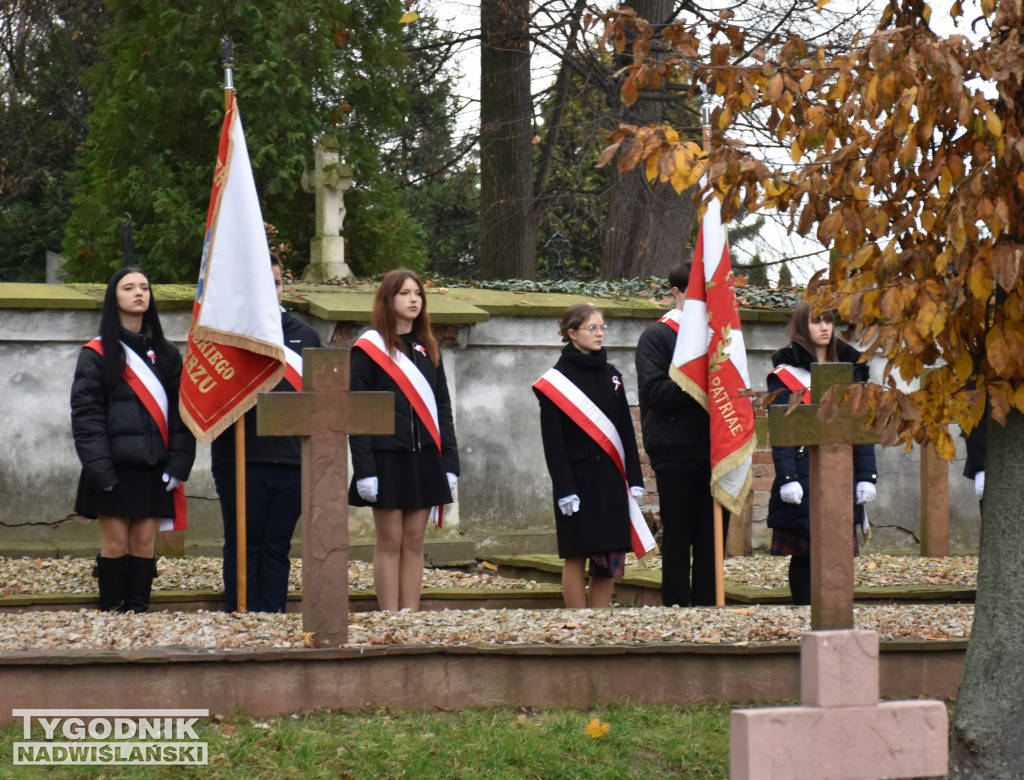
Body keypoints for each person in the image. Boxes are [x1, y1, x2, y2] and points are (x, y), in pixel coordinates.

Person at [71, 267, 196, 613]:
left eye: (144, 287)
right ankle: (112, 611)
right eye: (129, 288)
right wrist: (99, 469)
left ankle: (138, 611)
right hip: (111, 466)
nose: (139, 293)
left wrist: (179, 464)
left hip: (153, 466)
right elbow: (87, 417)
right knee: (115, 543)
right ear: (115, 298)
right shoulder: (96, 353)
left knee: (143, 543)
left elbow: (181, 416)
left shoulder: (168, 354)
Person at [211, 253, 321, 613]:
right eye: (262, 284)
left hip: (293, 460)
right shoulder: (230, 335)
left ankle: (271, 617)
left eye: (275, 283)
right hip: (242, 457)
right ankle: (241, 615)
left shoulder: (306, 336)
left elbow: (320, 403)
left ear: (282, 287)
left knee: (277, 543)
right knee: (244, 541)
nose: (270, 290)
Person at [348, 269, 460, 611]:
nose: (414, 299)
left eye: (417, 294)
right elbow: (357, 411)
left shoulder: (429, 347)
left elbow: (443, 408)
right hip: (386, 458)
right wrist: (364, 469)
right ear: (388, 299)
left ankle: (410, 614)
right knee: (390, 540)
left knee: (414, 541)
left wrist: (450, 463)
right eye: (404, 293)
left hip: (425, 457)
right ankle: (388, 615)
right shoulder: (368, 349)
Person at [765, 303, 878, 604]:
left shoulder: (852, 371)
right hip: (803, 476)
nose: (825, 327)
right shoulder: (785, 375)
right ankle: (805, 612)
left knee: (839, 546)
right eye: (816, 322)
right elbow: (782, 431)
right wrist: (788, 477)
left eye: (828, 321)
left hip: (842, 472)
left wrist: (866, 476)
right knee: (805, 551)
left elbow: (861, 428)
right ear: (803, 327)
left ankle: (835, 608)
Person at [533, 303, 644, 608]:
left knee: (608, 555)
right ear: (572, 333)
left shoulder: (612, 375)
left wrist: (634, 477)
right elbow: (553, 443)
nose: (599, 334)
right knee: (577, 553)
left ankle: (599, 621)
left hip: (610, 478)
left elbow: (625, 430)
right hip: (578, 482)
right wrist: (565, 489)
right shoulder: (555, 382)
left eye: (602, 327)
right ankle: (578, 621)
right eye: (591, 328)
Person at [635, 262, 729, 607]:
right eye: (695, 294)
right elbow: (656, 394)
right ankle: (676, 606)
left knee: (712, 536)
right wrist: (696, 374)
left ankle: (708, 605)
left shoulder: (721, 337)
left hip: (717, 448)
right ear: (676, 293)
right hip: (675, 451)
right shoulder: (657, 336)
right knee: (678, 536)